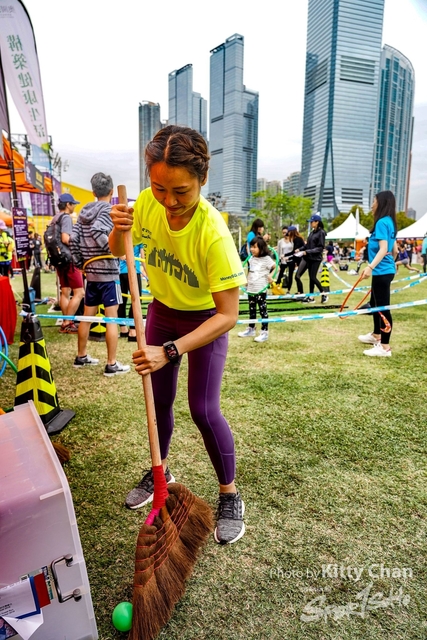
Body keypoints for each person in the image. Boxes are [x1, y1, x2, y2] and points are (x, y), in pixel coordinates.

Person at [109, 125, 247, 545]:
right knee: (158, 400)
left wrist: (169, 350)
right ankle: (160, 471)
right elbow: (118, 250)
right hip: (162, 311)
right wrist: (119, 228)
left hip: (204, 320)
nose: (169, 201)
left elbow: (228, 315)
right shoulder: (147, 205)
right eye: (159, 188)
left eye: (181, 191)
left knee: (203, 409)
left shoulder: (213, 232)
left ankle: (230, 494)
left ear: (202, 179)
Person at [70, 173, 130, 377]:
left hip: (92, 274)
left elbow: (74, 239)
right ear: (112, 192)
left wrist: (81, 263)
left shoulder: (83, 212)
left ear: (93, 192)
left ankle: (81, 356)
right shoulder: (108, 210)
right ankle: (111, 364)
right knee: (111, 319)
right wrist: (115, 251)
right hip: (108, 275)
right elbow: (98, 231)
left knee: (87, 317)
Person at [358, 190, 397, 357]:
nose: (372, 205)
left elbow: (383, 249)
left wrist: (370, 267)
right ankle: (376, 335)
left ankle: (385, 347)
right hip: (385, 270)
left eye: (374, 201)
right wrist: (390, 265)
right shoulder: (390, 222)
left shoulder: (382, 222)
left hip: (381, 271)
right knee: (375, 304)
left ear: (381, 202)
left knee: (382, 308)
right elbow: (394, 250)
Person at [52, 193, 85, 333]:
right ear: (67, 204)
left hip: (59, 259)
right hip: (69, 259)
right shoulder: (66, 218)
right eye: (73, 204)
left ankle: (66, 322)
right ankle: (67, 322)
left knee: (65, 291)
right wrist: (78, 244)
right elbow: (65, 238)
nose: (74, 206)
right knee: (80, 292)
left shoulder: (55, 218)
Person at [238, 237, 275, 342]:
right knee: (252, 309)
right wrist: (246, 281)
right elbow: (250, 271)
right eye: (251, 247)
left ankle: (264, 332)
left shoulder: (266, 259)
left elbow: (276, 267)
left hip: (260, 289)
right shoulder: (251, 258)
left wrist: (271, 276)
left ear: (261, 248)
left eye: (254, 247)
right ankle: (251, 329)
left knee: (263, 310)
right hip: (251, 288)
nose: (252, 249)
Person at [294, 214, 328, 303]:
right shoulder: (312, 233)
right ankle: (311, 297)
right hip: (309, 258)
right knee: (311, 278)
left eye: (312, 222)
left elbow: (320, 248)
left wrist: (307, 252)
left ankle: (324, 293)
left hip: (316, 259)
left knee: (313, 277)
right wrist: (300, 249)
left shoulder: (321, 233)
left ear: (317, 222)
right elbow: (307, 245)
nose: (310, 223)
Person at [118, 244, 146, 341]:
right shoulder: (139, 238)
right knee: (136, 300)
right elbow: (143, 258)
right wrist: (148, 276)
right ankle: (132, 331)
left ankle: (123, 329)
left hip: (120, 272)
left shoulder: (120, 236)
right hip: (133, 271)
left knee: (122, 301)